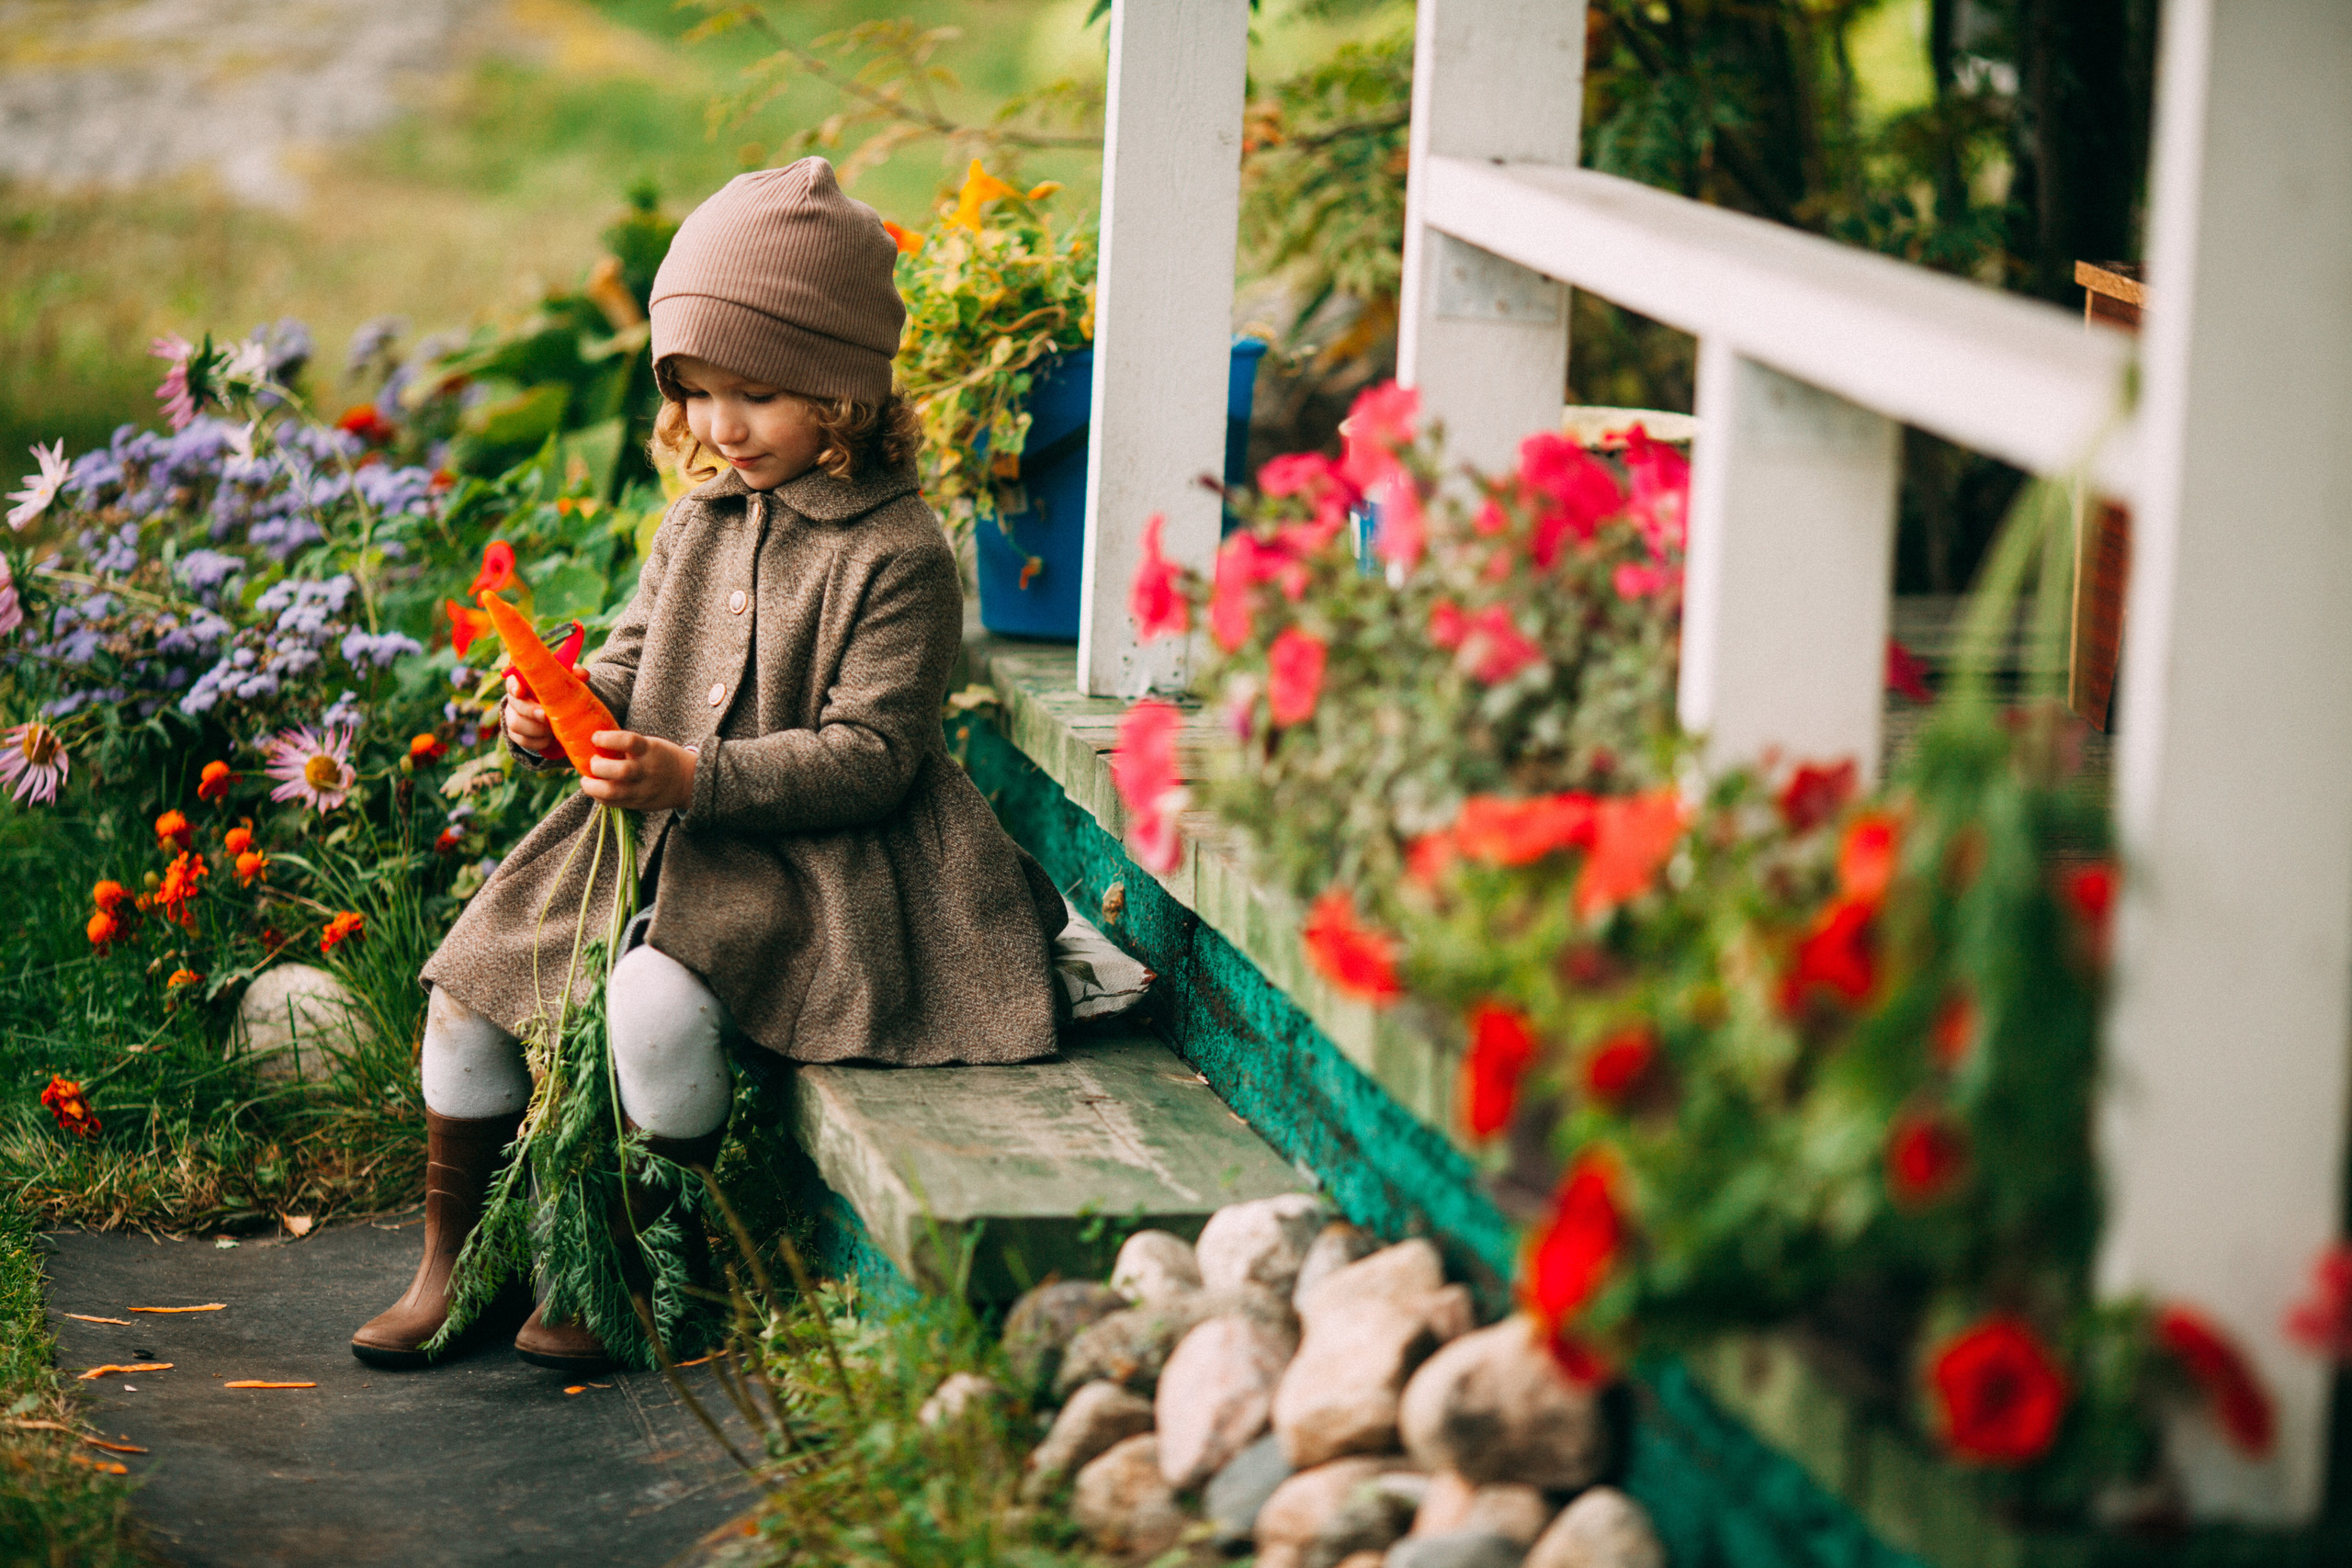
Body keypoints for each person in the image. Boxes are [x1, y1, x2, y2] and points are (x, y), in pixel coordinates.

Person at [352, 159, 1069, 1373]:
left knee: (654, 1001)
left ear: (843, 391)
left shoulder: (899, 553)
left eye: (757, 395)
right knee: (471, 986)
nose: (721, 429)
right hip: (650, 829)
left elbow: (874, 757)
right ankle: (459, 1260)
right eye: (696, 393)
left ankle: (643, 1265)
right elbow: (633, 663)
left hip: (816, 861)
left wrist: (695, 778)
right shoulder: (700, 520)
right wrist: (564, 714)